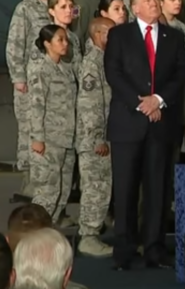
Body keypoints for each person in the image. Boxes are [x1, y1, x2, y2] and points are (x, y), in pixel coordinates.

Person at [104, 0, 185, 270]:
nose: (154, 3)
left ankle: (154, 248)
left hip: (161, 124)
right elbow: (113, 72)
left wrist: (159, 100)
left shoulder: (174, 37)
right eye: (147, 0)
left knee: (158, 191)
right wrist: (142, 104)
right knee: (126, 190)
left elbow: (181, 74)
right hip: (128, 123)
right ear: (135, 7)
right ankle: (124, 250)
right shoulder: (119, 35)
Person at [6, 0, 56, 197]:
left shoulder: (58, 7)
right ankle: (29, 183)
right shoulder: (25, 9)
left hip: (52, 82)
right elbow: (15, 44)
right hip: (29, 81)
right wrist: (18, 77)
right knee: (29, 131)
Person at [26, 24, 77, 223]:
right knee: (47, 192)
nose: (65, 44)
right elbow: (36, 106)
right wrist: (38, 138)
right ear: (47, 44)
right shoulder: (41, 70)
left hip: (67, 139)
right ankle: (31, 235)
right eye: (60, 40)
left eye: (66, 39)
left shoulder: (66, 69)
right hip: (49, 140)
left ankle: (49, 232)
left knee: (63, 192)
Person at [75, 18, 115, 257]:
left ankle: (94, 231)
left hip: (106, 137)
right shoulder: (92, 62)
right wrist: (97, 137)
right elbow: (91, 105)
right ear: (97, 34)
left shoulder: (105, 59)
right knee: (95, 188)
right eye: (109, 33)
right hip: (95, 141)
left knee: (103, 187)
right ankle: (88, 236)